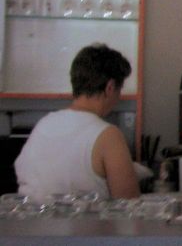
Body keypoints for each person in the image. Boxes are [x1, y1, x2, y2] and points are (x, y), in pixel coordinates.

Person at [15, 44, 140, 199]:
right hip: (82, 216)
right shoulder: (108, 136)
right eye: (119, 90)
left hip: (28, 214)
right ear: (110, 87)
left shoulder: (44, 124)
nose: (119, 97)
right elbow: (129, 203)